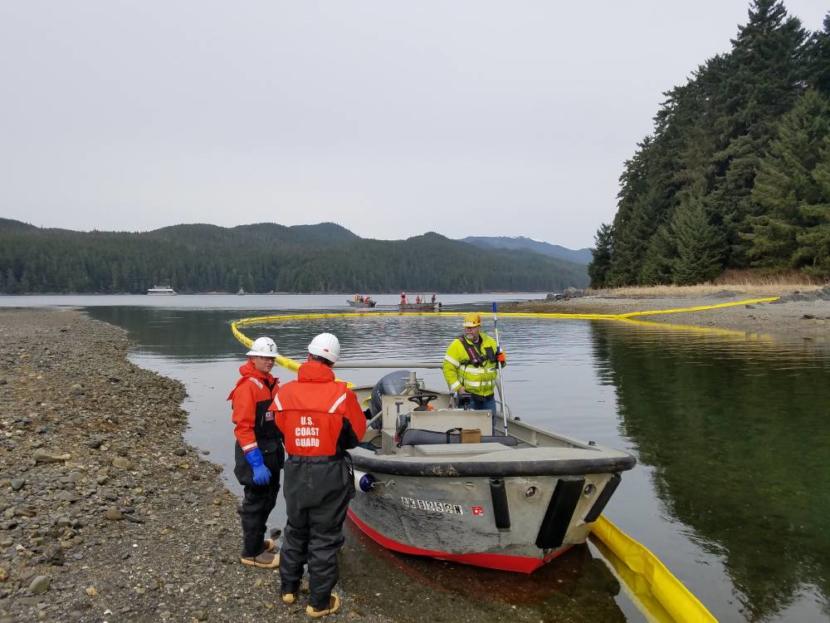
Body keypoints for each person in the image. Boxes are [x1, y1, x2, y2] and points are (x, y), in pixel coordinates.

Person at [274, 332, 367, 618]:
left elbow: (279, 427)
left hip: (295, 470)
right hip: (328, 470)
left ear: (308, 356)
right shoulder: (342, 394)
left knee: (295, 529)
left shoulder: (284, 392)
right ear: (332, 362)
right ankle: (318, 602)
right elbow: (357, 435)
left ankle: (288, 589)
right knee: (325, 538)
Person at [227, 336, 283, 568]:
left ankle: (259, 542)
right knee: (255, 503)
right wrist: (255, 462)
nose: (269, 362)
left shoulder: (270, 384)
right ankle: (251, 553)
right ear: (252, 358)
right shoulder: (248, 388)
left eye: (271, 358)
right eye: (264, 357)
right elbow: (243, 428)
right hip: (256, 454)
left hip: (271, 451)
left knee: (268, 499)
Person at [442, 313, 506, 416]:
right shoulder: (457, 345)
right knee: (469, 429)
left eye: (472, 327)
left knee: (490, 426)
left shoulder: (491, 342)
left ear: (479, 327)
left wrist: (502, 359)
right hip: (468, 396)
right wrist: (459, 388)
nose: (468, 330)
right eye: (467, 328)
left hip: (489, 397)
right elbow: (448, 368)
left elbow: (501, 363)